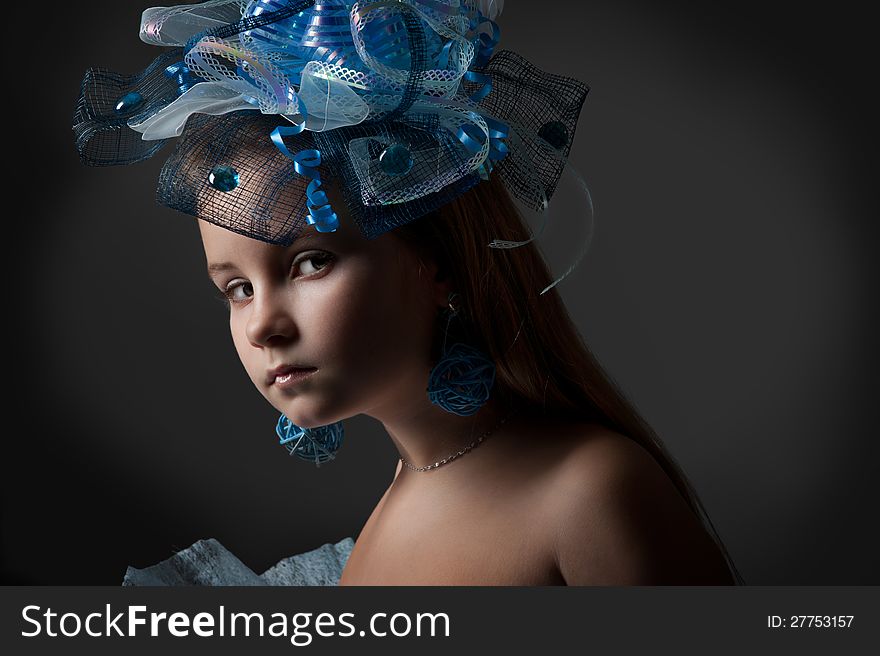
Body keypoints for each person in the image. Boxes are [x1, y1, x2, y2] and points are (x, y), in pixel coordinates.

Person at [74, 0, 743, 585]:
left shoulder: (591, 493)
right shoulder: (404, 493)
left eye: (310, 263)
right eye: (237, 289)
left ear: (439, 263)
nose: (262, 326)